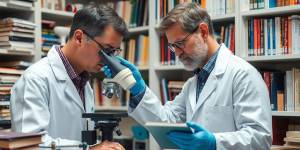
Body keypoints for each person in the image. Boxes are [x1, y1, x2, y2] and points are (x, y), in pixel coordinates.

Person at [103, 3, 272, 150]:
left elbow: (260, 138)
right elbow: (166, 122)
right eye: (172, 46)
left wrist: (214, 142)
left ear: (204, 32)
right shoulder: (193, 83)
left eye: (180, 43)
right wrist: (137, 88)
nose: (176, 53)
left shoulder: (243, 75)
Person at [10, 5, 127, 150]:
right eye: (106, 50)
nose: (109, 60)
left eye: (114, 52)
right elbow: (28, 146)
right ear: (79, 38)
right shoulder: (35, 80)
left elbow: (78, 139)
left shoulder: (84, 83)